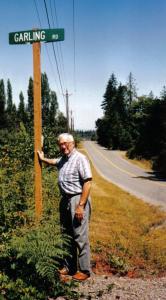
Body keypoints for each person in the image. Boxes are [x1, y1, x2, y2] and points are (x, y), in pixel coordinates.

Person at [37, 133, 92, 281]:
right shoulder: (63, 160)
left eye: (65, 143)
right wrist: (42, 159)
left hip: (77, 200)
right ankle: (69, 267)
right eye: (60, 144)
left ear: (72, 143)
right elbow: (54, 161)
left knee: (79, 235)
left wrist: (81, 205)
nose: (63, 146)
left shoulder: (80, 158)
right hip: (65, 200)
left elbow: (87, 182)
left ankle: (85, 270)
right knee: (66, 235)